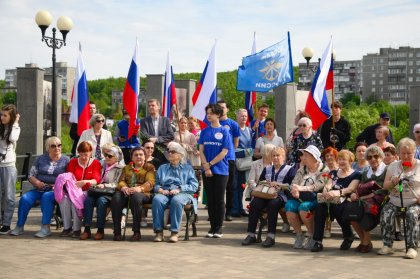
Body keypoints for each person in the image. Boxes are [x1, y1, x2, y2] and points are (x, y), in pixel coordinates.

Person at [10, 137, 70, 237]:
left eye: (59, 145)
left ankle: (45, 228)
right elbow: (31, 175)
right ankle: (19, 226)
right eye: (53, 146)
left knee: (46, 197)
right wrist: (37, 182)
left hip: (56, 190)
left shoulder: (66, 160)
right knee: (25, 199)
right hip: (39, 188)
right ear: (48, 148)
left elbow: (69, 177)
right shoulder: (40, 159)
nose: (57, 148)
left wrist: (58, 185)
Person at [241, 147, 296, 248]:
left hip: (281, 195)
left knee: (272, 204)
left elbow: (291, 185)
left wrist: (278, 184)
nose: (275, 158)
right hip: (266, 194)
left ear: (283, 157)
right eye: (273, 155)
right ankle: (251, 234)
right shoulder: (268, 169)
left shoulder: (290, 169)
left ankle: (271, 236)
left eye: (278, 155)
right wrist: (267, 183)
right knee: (254, 203)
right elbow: (260, 182)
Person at [311, 150, 361, 252]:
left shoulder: (356, 174)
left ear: (350, 161)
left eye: (344, 160)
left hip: (346, 199)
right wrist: (326, 191)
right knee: (320, 207)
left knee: (338, 208)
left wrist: (336, 193)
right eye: (339, 159)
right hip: (330, 199)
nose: (341, 162)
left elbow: (350, 189)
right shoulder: (333, 173)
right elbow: (328, 184)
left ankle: (348, 236)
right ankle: (318, 241)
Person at [378, 137, 420, 259]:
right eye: (403, 153)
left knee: (412, 214)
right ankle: (387, 245)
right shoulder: (392, 166)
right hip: (396, 199)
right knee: (386, 212)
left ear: (414, 152)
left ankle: (412, 247)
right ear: (399, 153)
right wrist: (393, 182)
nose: (406, 156)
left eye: (409, 153)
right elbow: (385, 186)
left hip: (414, 201)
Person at [152, 142, 199, 243]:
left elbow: (194, 186)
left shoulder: (187, 168)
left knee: (177, 200)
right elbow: (156, 185)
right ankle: (159, 232)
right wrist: (160, 190)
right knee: (157, 199)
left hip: (182, 193)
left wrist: (179, 189)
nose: (169, 154)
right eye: (169, 152)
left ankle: (174, 232)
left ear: (180, 155)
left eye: (173, 152)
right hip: (165, 192)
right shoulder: (162, 168)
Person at [286, 145, 329, 250]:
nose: (303, 158)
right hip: (300, 197)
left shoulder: (324, 170)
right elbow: (293, 183)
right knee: (289, 206)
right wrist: (294, 190)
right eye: (303, 155)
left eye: (306, 156)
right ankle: (299, 235)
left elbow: (318, 186)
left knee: (304, 208)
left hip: (315, 198)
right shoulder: (302, 169)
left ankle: (311, 235)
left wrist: (300, 188)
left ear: (314, 157)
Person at [57, 141, 101, 238]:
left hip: (86, 191)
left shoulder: (96, 163)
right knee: (64, 200)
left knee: (75, 202)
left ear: (91, 152)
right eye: (81, 155)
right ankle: (67, 227)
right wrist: (73, 188)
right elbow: (69, 177)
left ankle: (77, 229)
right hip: (72, 190)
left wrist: (85, 182)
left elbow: (96, 180)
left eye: (86, 154)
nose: (84, 157)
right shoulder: (73, 162)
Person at [80, 144, 125, 241]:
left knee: (101, 201)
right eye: (106, 155)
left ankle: (100, 230)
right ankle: (87, 229)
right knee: (88, 200)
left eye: (110, 156)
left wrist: (105, 185)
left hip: (110, 193)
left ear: (117, 157)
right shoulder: (102, 165)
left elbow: (118, 184)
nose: (107, 158)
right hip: (98, 191)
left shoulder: (121, 168)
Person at [348, 145, 387, 253]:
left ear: (381, 157)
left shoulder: (386, 169)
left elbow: (386, 188)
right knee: (352, 213)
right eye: (369, 157)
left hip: (380, 200)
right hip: (365, 200)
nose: (373, 159)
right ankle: (365, 241)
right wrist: (355, 194)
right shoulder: (365, 171)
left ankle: (365, 243)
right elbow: (360, 186)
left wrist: (369, 196)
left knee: (365, 213)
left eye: (376, 156)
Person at [198, 103, 230, 238]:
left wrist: (210, 164)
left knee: (219, 200)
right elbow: (201, 150)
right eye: (207, 113)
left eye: (211, 113)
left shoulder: (224, 131)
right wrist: (205, 165)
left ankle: (219, 228)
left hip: (221, 170)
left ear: (218, 114)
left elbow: (224, 152)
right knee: (210, 200)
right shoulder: (205, 131)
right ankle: (212, 228)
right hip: (206, 169)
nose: (208, 115)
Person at [111, 147, 155, 241]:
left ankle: (136, 232)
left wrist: (139, 188)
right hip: (128, 191)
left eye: (141, 154)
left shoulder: (149, 167)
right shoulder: (127, 168)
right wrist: (124, 187)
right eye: (136, 155)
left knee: (136, 198)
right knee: (116, 198)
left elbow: (150, 182)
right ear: (132, 157)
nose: (138, 157)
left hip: (143, 193)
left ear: (144, 157)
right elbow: (121, 181)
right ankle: (117, 232)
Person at [211, 100, 240, 221]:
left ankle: (228, 212)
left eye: (223, 107)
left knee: (229, 186)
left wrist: (226, 152)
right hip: (215, 160)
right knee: (216, 188)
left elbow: (236, 143)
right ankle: (216, 213)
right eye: (219, 108)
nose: (222, 110)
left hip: (229, 159)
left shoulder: (233, 124)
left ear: (227, 109)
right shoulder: (212, 125)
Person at [0, 105, 20, 234]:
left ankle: (6, 224)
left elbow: (13, 138)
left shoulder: (15, 128)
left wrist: (16, 123)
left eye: (5, 115)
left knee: (9, 196)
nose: (2, 117)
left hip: (8, 166)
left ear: (11, 117)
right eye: (1, 115)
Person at [232, 109, 253, 217]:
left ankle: (240, 208)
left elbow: (252, 146)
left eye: (245, 116)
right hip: (235, 161)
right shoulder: (234, 129)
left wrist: (250, 151)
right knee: (234, 186)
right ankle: (234, 209)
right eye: (241, 116)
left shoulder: (249, 130)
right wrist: (243, 152)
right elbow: (231, 147)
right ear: (237, 116)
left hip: (246, 162)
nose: (244, 118)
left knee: (242, 185)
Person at [140, 99, 174, 163]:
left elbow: (171, 135)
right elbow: (143, 135)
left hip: (164, 152)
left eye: (153, 105)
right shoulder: (144, 121)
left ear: (159, 107)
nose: (150, 107)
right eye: (149, 106)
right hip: (149, 153)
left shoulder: (166, 120)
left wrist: (157, 139)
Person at [320, 146, 338, 238]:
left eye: (331, 155)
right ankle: (326, 228)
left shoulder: (339, 168)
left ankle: (328, 228)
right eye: (327, 155)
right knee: (325, 203)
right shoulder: (323, 169)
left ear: (335, 156)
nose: (329, 157)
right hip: (324, 191)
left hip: (338, 191)